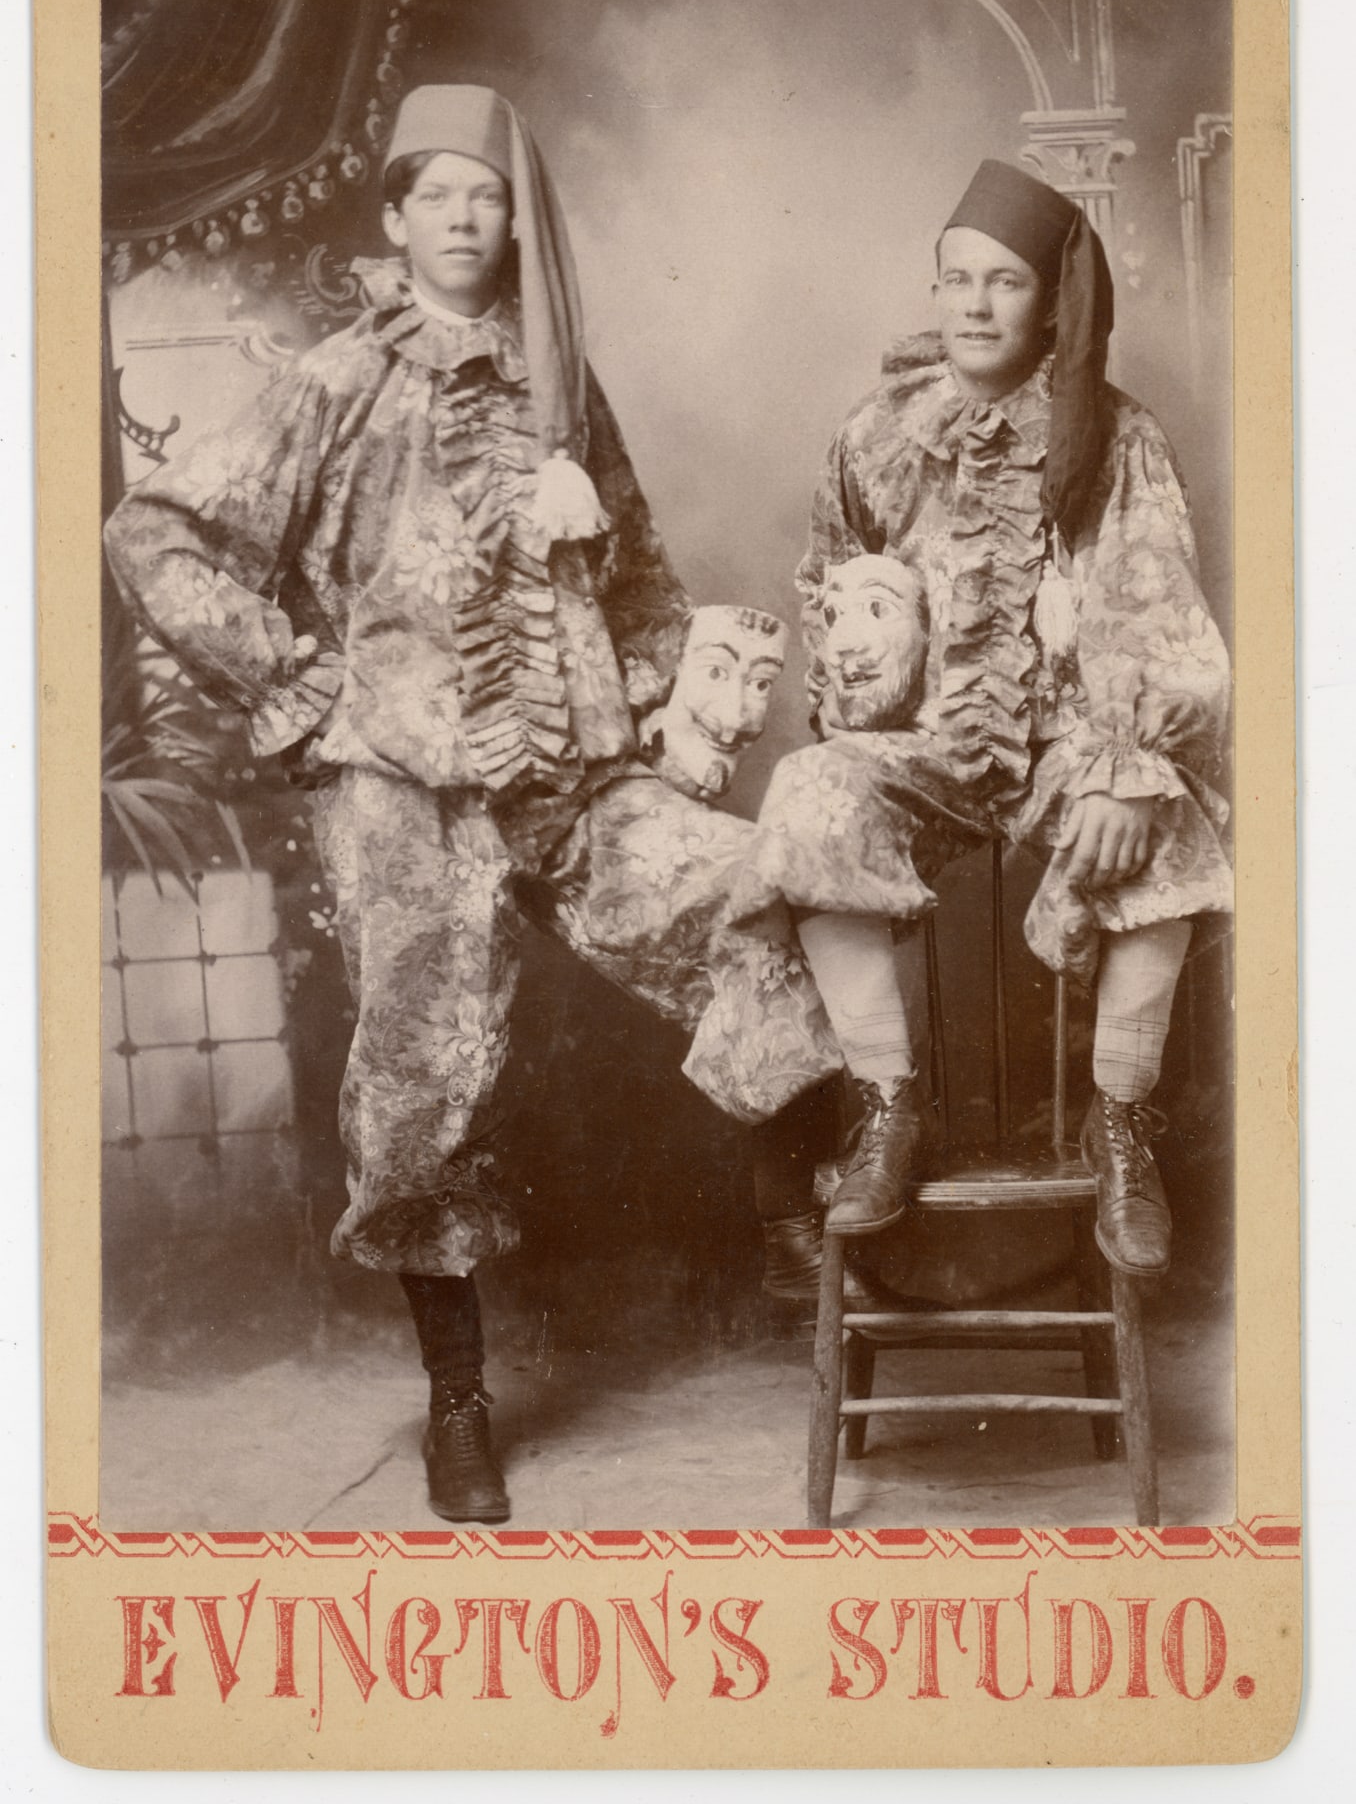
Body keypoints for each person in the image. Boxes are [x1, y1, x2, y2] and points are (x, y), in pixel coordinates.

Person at [104, 84, 884, 1525]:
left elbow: (639, 572)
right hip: (406, 788)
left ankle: (794, 1206)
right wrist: (304, 683)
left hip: (576, 777)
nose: (469, 220)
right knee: (420, 1084)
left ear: (515, 219)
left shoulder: (558, 383)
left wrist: (659, 696)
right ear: (394, 220)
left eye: (490, 196)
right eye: (439, 195)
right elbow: (154, 532)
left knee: (754, 884)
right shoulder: (336, 381)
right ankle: (458, 1402)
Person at [731, 158, 1233, 1273]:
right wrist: (861, 667)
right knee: (811, 792)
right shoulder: (878, 435)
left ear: (1051, 302)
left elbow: (1163, 618)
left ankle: (1119, 1126)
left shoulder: (1117, 437)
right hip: (926, 746)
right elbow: (827, 592)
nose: (972, 304)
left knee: (1176, 827)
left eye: (1002, 283)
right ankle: (887, 1107)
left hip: (1073, 742)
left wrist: (1120, 764)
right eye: (954, 280)